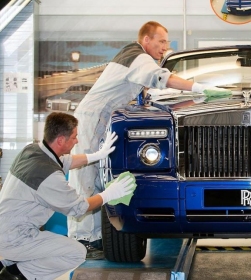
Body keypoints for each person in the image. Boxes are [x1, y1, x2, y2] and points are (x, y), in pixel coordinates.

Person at [67, 21, 231, 255]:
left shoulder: (133, 58)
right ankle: (82, 238)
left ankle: (93, 237)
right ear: (146, 40)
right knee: (86, 177)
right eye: (162, 41)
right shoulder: (138, 58)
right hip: (95, 118)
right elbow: (161, 78)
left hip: (101, 118)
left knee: (93, 177)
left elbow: (149, 90)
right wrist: (198, 88)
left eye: (167, 42)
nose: (166, 46)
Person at [0, 112, 135, 280]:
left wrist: (97, 155)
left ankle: (8, 262)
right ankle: (15, 275)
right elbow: (80, 208)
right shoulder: (48, 176)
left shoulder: (32, 150)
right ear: (60, 141)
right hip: (16, 237)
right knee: (76, 252)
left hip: (6, 229)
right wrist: (109, 194)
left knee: (47, 249)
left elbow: (66, 161)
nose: (77, 141)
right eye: (74, 137)